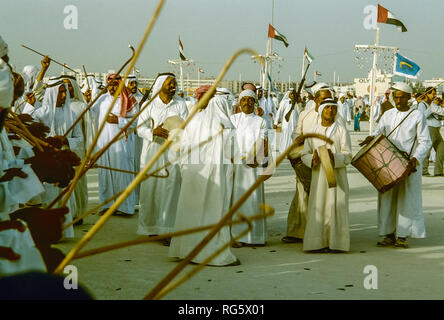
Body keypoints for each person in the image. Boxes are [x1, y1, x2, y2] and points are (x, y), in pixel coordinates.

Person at [169, 93, 239, 266]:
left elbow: (181, 145)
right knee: (214, 211)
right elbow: (233, 155)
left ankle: (185, 251)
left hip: (193, 173)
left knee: (190, 211)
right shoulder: (227, 126)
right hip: (217, 175)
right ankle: (213, 254)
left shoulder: (194, 120)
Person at [360, 82, 432, 248]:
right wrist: (370, 138)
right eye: (396, 97)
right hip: (387, 162)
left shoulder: (417, 116)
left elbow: (425, 141)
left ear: (408, 98)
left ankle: (402, 236)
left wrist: (416, 158)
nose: (398, 100)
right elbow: (379, 133)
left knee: (406, 200)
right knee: (387, 198)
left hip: (409, 165)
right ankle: (388, 234)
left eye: (402, 97)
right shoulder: (387, 115)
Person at [282, 83, 345, 243]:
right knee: (302, 196)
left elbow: (342, 144)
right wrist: (302, 143)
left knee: (326, 199)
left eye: (330, 99)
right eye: (324, 99)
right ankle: (298, 232)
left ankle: (325, 235)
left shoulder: (337, 118)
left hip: (329, 164)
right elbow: (296, 133)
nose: (328, 102)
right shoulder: (305, 115)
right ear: (316, 99)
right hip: (308, 158)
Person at [137, 73, 188, 242]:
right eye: (170, 83)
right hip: (152, 153)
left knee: (171, 189)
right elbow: (139, 129)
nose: (173, 86)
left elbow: (186, 126)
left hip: (173, 154)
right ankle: (151, 228)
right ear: (160, 85)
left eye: (174, 83)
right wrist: (153, 132)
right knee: (151, 190)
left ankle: (167, 229)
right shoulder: (148, 105)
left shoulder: (180, 105)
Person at [33, 79, 84, 238]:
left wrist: (66, 141)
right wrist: (48, 142)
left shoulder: (72, 114)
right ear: (53, 93)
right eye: (61, 92)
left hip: (63, 161)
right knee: (47, 197)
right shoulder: (39, 114)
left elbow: (79, 138)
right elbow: (30, 138)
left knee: (63, 197)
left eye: (65, 92)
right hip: (45, 161)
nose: (64, 95)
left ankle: (62, 231)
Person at [301, 99, 352, 252]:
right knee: (319, 206)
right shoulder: (313, 131)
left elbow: (348, 155)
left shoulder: (341, 130)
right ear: (321, 110)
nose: (330, 111)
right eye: (327, 108)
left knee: (337, 206)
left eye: (333, 108)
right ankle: (317, 243)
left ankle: (337, 244)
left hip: (337, 177)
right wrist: (312, 159)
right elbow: (305, 154)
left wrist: (334, 158)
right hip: (319, 177)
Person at [90, 74, 138, 216]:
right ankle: (106, 205)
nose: (112, 88)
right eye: (110, 85)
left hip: (121, 143)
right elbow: (91, 112)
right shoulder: (102, 100)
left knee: (122, 174)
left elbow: (136, 121)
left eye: (115, 85)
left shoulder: (129, 100)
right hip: (104, 143)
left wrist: (118, 121)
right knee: (105, 174)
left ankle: (125, 207)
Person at [230, 89, 268, 247]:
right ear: (239, 102)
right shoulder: (232, 119)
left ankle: (254, 237)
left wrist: (256, 159)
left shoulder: (261, 121)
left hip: (253, 165)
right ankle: (236, 236)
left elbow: (264, 142)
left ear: (254, 102)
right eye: (243, 100)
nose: (247, 103)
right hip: (235, 165)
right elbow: (227, 140)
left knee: (252, 199)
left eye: (250, 100)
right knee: (236, 199)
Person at [417, 87, 444, 177]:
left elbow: (439, 112)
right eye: (432, 94)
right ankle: (424, 170)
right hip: (429, 128)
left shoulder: (433, 104)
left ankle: (438, 171)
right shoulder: (422, 104)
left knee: (441, 148)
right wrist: (431, 109)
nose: (434, 96)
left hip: (436, 128)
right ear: (427, 94)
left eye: (435, 94)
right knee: (427, 149)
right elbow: (422, 116)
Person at [274, 89, 299, 154]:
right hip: (286, 123)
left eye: (294, 94)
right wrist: (275, 122)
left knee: (293, 136)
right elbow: (279, 112)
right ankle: (284, 150)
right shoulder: (285, 102)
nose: (293, 95)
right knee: (285, 135)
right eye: (291, 94)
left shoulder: (296, 102)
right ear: (288, 94)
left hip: (295, 122)